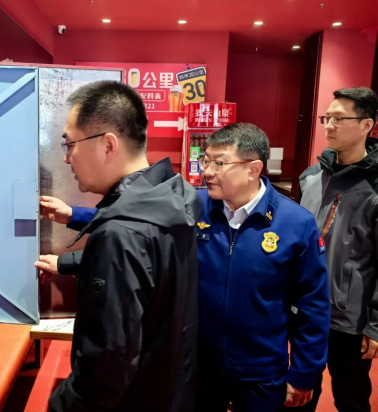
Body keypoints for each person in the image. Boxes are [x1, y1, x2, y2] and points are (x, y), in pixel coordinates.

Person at [37, 123, 331, 412]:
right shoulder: (192, 205)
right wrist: (72, 217)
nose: (207, 171)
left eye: (219, 163)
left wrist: (304, 372)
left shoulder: (296, 223)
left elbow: (313, 303)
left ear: (253, 169)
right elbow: (137, 231)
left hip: (260, 370)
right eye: (206, 160)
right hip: (195, 363)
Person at [39, 80, 201, 412]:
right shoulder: (171, 199)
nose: (66, 158)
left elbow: (105, 369)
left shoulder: (121, 232)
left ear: (108, 145)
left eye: (69, 144)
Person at [296, 86, 378, 412]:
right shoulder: (311, 177)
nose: (329, 125)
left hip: (350, 320)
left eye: (339, 119)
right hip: (304, 311)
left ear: (367, 125)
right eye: (326, 118)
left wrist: (375, 325)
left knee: (351, 399)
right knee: (300, 394)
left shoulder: (374, 188)